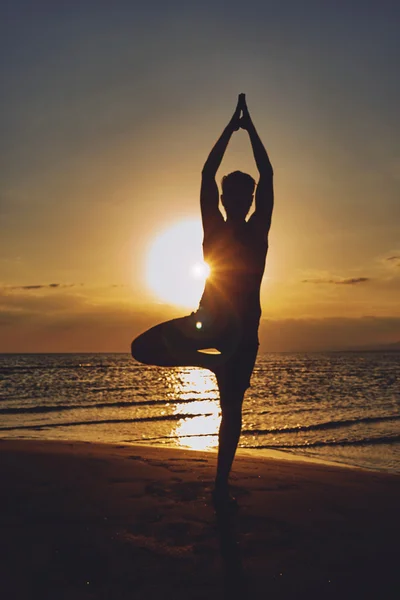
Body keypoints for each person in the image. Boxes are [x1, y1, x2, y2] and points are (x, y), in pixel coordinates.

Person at [131, 94, 274, 509]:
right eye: (234, 194)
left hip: (242, 333)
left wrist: (246, 128)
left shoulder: (257, 231)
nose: (239, 200)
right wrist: (233, 127)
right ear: (227, 199)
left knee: (232, 409)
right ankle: (208, 362)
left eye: (244, 195)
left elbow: (267, 174)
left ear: (249, 200)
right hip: (208, 323)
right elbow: (207, 173)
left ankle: (220, 486)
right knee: (141, 348)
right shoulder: (214, 227)